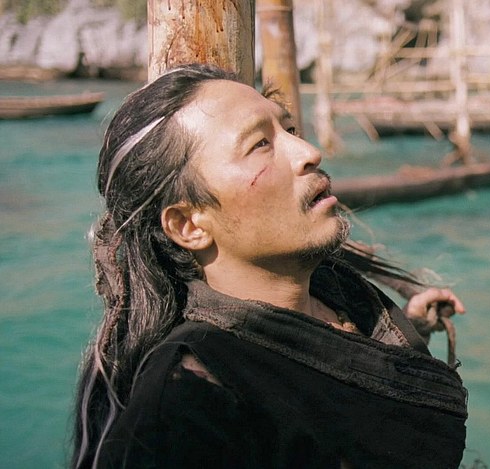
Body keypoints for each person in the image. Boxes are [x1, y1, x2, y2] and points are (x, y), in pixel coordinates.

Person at [71, 63, 468, 469]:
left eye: (290, 129)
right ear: (189, 225)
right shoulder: (188, 403)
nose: (309, 152)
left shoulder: (340, 295)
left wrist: (407, 330)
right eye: (260, 144)